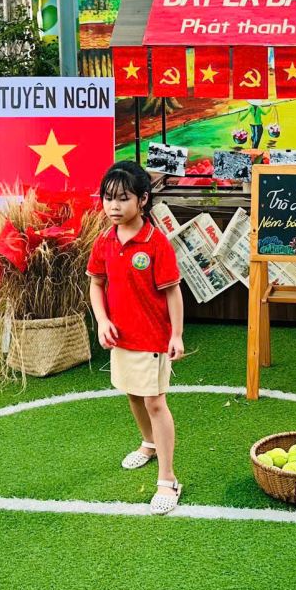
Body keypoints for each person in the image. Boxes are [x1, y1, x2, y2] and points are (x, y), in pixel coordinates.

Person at [87, 162, 186, 515]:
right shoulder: (104, 241)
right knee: (133, 394)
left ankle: (168, 479)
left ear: (142, 200)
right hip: (121, 337)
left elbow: (173, 292)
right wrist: (102, 321)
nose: (113, 206)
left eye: (123, 199)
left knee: (155, 403)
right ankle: (149, 443)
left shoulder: (156, 243)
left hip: (153, 338)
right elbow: (96, 283)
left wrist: (176, 334)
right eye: (108, 198)